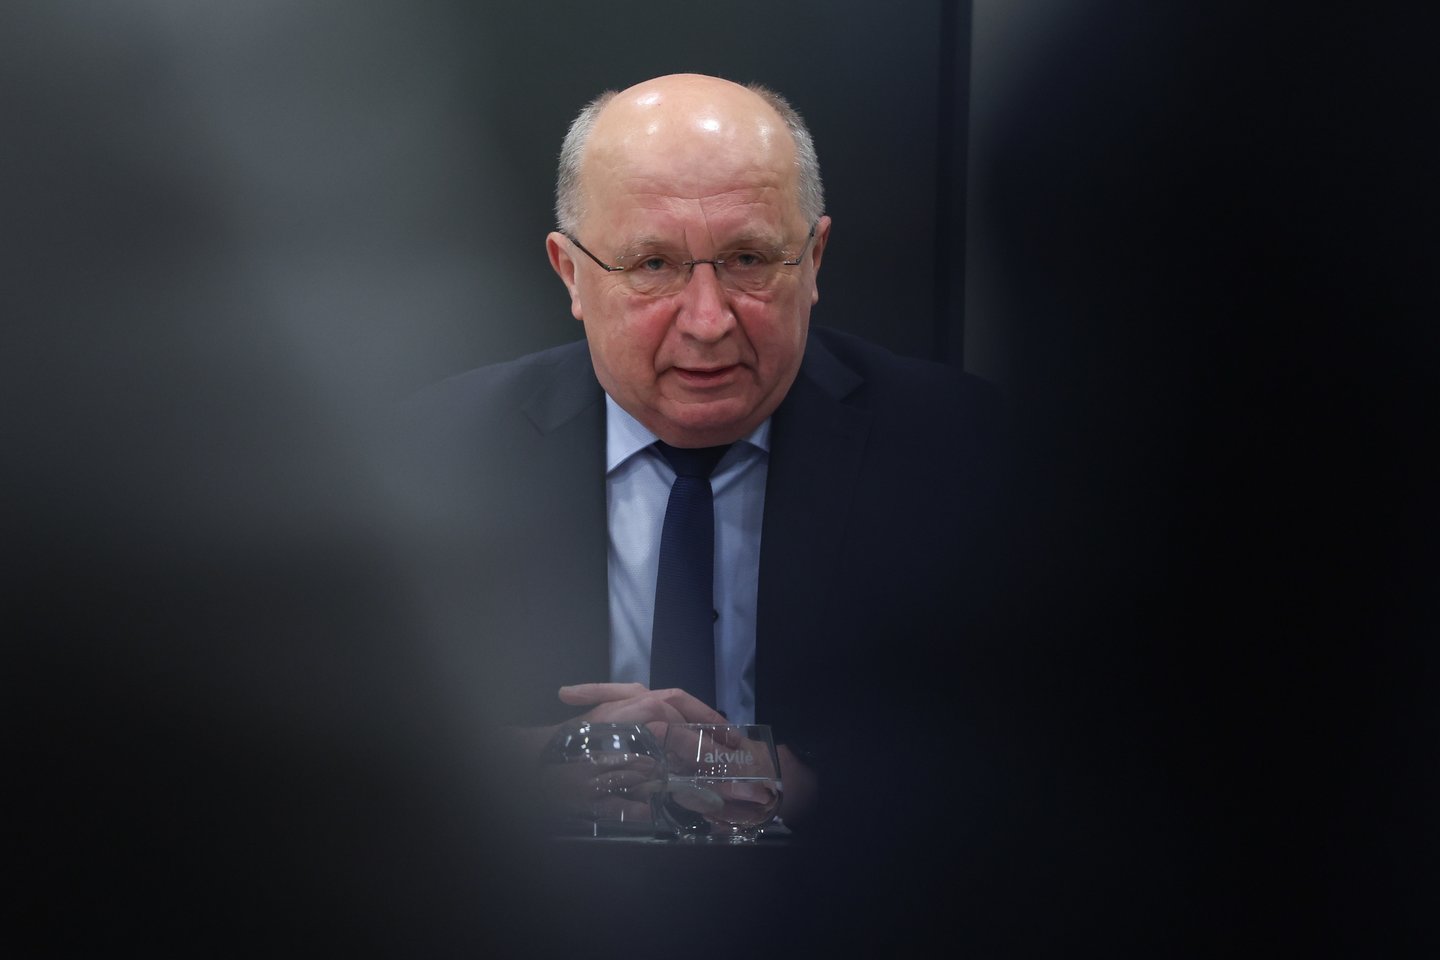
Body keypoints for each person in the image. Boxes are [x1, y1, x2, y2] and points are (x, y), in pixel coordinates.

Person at [393, 73, 1003, 837]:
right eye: (653, 265)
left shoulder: (972, 455)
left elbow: (1056, 748)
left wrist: (814, 788)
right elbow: (331, 748)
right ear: (571, 273)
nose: (708, 321)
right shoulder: (426, 458)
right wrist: (523, 769)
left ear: (814, 259)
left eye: (748, 259)